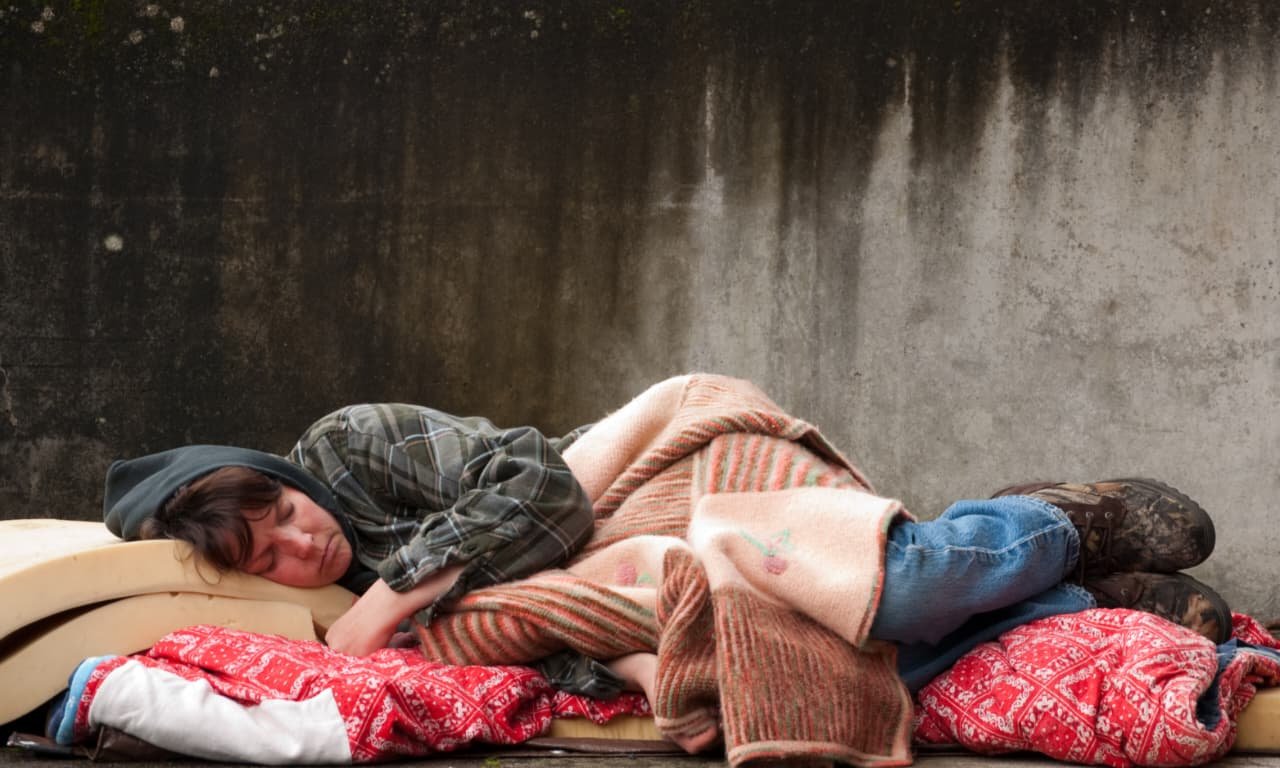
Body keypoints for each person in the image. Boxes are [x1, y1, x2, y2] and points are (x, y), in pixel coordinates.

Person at [102, 378, 1232, 752]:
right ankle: (1080, 599)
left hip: (660, 482)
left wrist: (395, 592)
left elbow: (538, 486)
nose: (304, 543)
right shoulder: (338, 622)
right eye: (271, 556)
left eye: (286, 513)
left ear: (280, 475)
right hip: (640, 579)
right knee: (854, 654)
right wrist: (645, 667)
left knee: (902, 585)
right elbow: (539, 639)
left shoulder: (352, 446)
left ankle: (1052, 522)